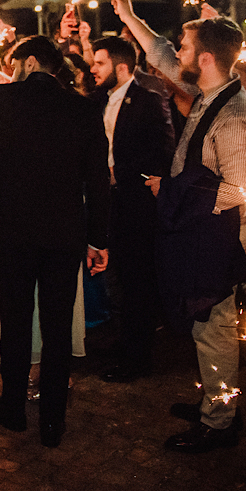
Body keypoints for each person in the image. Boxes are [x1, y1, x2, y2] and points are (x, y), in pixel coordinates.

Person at [113, 0, 246, 453]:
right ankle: (214, 403)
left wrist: (172, 189)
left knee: (215, 328)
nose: (175, 54)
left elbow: (239, 189)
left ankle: (220, 422)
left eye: (184, 47)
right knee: (204, 327)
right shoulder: (208, 88)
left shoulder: (234, 116)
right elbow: (159, 52)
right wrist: (129, 16)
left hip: (217, 240)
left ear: (206, 58)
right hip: (199, 231)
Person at [0, 35, 109, 449]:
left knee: (16, 319)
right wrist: (99, 239)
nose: (11, 70)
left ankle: (13, 407)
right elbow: (97, 179)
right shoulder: (83, 107)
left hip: (14, 231)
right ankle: (53, 420)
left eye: (14, 63)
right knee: (57, 326)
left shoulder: (6, 98)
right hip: (63, 233)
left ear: (31, 62)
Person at [89, 36, 175, 382]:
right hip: (106, 201)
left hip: (136, 205)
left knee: (137, 280)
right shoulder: (97, 100)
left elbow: (162, 153)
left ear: (121, 66)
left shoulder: (148, 101)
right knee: (115, 277)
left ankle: (138, 358)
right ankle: (123, 341)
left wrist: (118, 173)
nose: (92, 69)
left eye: (100, 63)